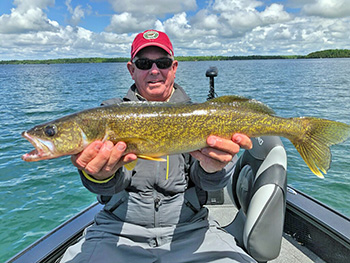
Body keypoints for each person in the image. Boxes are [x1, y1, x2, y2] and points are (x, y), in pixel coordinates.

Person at [60, 29, 256, 263]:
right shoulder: (106, 116)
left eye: (162, 63)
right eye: (143, 63)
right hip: (118, 230)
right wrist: (100, 177)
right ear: (131, 70)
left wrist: (213, 168)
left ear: (173, 68)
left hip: (189, 228)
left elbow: (206, 182)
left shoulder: (199, 115)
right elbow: (107, 187)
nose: (154, 70)